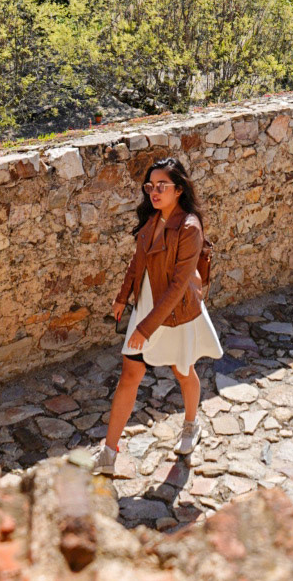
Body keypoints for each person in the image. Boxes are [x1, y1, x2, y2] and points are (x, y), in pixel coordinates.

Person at [93, 156, 222, 474]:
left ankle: (191, 424)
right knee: (129, 376)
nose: (154, 190)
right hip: (146, 311)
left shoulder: (190, 227)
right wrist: (123, 297)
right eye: (151, 185)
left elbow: (179, 285)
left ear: (178, 189)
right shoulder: (152, 217)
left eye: (162, 185)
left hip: (175, 314)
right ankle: (109, 453)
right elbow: (137, 261)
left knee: (182, 372)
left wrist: (146, 328)